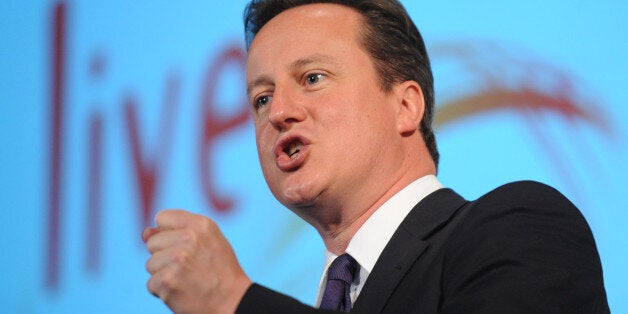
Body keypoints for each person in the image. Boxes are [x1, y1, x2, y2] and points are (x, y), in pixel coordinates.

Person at [142, 0, 610, 313]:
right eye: (261, 98)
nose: (279, 112)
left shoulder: (517, 227)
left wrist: (233, 300)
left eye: (312, 78)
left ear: (405, 105)